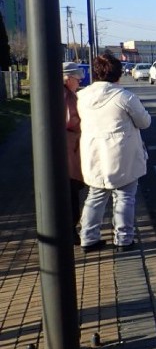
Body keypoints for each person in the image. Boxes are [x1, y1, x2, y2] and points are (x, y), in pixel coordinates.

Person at [77, 54, 151, 251]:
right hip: (121, 155)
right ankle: (124, 239)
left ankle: (88, 238)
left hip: (93, 154)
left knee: (95, 196)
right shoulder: (124, 97)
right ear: (118, 74)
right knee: (125, 197)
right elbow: (144, 122)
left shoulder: (82, 97)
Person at [63, 62, 86, 245]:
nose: (79, 82)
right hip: (68, 149)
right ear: (68, 78)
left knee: (71, 191)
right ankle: (70, 231)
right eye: (77, 79)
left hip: (69, 148)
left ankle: (70, 229)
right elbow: (71, 120)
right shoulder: (66, 95)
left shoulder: (66, 93)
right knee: (70, 192)